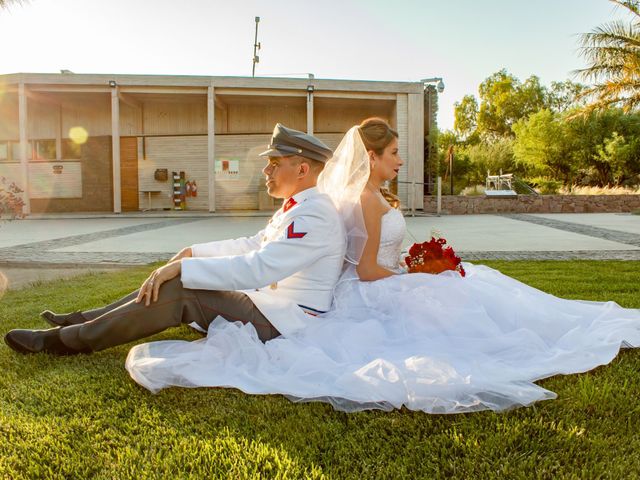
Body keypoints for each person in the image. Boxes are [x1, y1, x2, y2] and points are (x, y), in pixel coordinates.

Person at [123, 117, 640, 414]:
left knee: (484, 292)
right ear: (370, 156)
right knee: (470, 310)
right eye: (393, 152)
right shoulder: (363, 202)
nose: (399, 160)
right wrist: (418, 275)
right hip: (375, 287)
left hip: (381, 281)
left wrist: (423, 265)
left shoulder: (367, 196)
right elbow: (367, 268)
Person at [4, 123, 346, 355]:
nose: (265, 171)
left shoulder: (314, 213)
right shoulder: (300, 206)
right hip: (271, 307)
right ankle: (83, 319)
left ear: (302, 170)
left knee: (181, 287)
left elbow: (261, 268)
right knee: (176, 277)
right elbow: (253, 243)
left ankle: (64, 341)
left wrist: (186, 267)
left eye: (274, 163)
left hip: (287, 321)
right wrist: (193, 251)